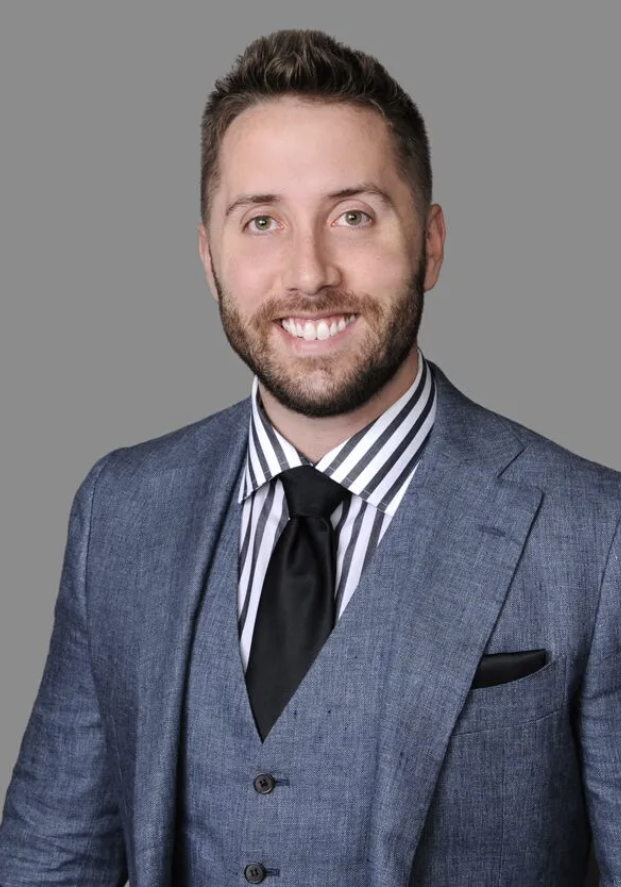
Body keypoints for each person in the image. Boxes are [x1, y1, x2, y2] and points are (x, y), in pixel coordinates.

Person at [0, 27, 618, 887]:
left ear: (430, 243)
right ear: (209, 258)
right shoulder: (122, 508)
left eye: (353, 216)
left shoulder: (595, 536)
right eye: (261, 221)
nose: (308, 272)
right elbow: (49, 856)